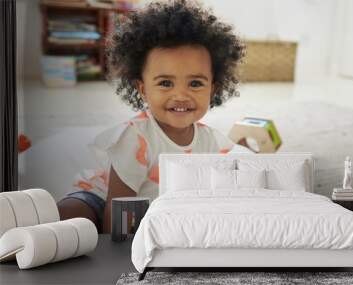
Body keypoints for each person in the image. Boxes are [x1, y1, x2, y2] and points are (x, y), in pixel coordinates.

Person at [57, 0, 246, 233]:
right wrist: (117, 255)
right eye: (165, 83)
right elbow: (119, 210)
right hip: (100, 200)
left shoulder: (211, 141)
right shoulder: (135, 138)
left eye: (195, 83)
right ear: (143, 89)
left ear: (213, 89)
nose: (180, 95)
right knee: (70, 218)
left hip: (151, 210)